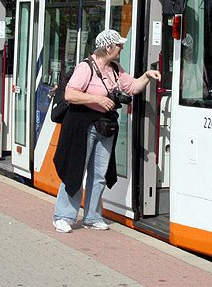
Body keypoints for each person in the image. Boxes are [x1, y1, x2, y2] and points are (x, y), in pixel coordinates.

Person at [52, 29, 161, 233]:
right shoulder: (86, 67)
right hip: (81, 124)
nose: (122, 48)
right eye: (119, 45)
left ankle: (92, 217)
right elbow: (70, 94)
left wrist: (147, 75)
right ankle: (63, 216)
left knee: (99, 174)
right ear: (108, 47)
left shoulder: (115, 69)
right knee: (76, 171)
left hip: (104, 125)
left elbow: (133, 87)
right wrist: (97, 99)